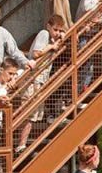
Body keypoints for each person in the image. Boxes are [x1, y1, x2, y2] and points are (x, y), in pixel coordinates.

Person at [17, 15, 66, 153]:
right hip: (33, 79)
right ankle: (21, 143)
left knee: (35, 114)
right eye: (55, 29)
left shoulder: (51, 38)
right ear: (48, 26)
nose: (57, 33)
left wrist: (60, 37)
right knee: (30, 113)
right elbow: (36, 53)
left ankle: (23, 143)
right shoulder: (44, 34)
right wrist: (51, 47)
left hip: (40, 79)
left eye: (59, 30)